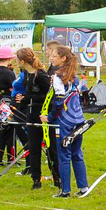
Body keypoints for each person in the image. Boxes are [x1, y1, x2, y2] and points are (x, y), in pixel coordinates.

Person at [44, 46, 88, 198]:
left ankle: (65, 190)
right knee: (77, 153)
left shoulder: (58, 76)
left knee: (64, 155)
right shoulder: (73, 74)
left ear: (63, 58)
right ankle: (83, 187)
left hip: (64, 121)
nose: (51, 58)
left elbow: (58, 100)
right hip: (78, 119)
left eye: (54, 56)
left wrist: (49, 117)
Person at [15, 48, 51, 190]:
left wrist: (28, 98)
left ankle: (57, 177)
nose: (15, 61)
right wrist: (22, 99)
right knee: (34, 147)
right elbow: (29, 94)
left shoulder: (41, 75)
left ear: (23, 61)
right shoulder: (25, 74)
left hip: (43, 116)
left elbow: (49, 96)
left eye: (17, 59)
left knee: (50, 148)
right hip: (31, 114)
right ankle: (36, 179)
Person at [0, 46, 23, 165]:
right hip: (9, 102)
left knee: (2, 130)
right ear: (9, 58)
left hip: (1, 101)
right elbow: (14, 86)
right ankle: (11, 158)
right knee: (12, 131)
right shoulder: (9, 73)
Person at [44, 40, 61, 186]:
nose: (47, 54)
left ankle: (59, 177)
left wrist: (50, 115)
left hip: (56, 114)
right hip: (49, 110)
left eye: (49, 52)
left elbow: (58, 96)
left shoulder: (58, 71)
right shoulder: (51, 68)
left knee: (56, 146)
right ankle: (55, 174)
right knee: (50, 146)